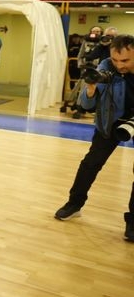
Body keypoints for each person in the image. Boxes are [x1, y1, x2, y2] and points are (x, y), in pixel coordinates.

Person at [55, 34, 134, 243]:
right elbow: (87, 106)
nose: (119, 65)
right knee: (90, 164)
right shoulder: (105, 67)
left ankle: (133, 222)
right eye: (115, 60)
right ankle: (74, 205)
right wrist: (90, 89)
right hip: (110, 121)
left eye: (125, 61)